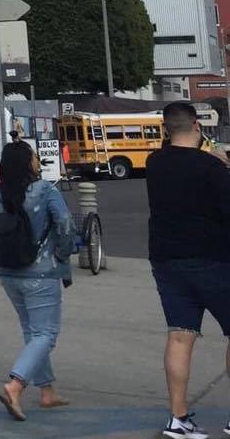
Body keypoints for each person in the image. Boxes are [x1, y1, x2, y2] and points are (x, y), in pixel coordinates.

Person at [0, 140, 75, 421]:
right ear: (28, 163)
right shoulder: (45, 191)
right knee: (46, 333)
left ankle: (47, 391)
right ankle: (15, 384)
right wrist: (62, 254)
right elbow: (65, 224)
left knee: (32, 331)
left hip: (9, 274)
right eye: (34, 157)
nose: (38, 161)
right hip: (41, 272)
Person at [146, 101, 230, 439]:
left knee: (180, 334)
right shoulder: (211, 168)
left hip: (167, 260)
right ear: (197, 125)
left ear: (167, 128)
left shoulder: (154, 163)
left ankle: (178, 418)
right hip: (214, 258)